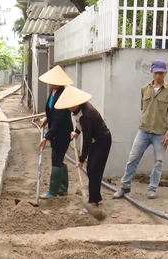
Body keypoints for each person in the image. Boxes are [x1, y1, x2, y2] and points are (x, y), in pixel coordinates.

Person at [113, 59, 168, 200]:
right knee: (133, 158)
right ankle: (124, 186)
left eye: (161, 73)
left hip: (160, 133)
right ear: (151, 72)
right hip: (143, 131)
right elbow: (143, 108)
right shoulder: (145, 89)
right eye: (156, 73)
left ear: (165, 73)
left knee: (158, 162)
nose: (158, 76)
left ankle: (152, 189)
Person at [55, 86, 112, 215]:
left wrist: (81, 160)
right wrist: (76, 132)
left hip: (101, 141)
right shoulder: (77, 111)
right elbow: (80, 125)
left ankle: (92, 203)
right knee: (92, 170)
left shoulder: (87, 114)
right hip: (94, 140)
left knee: (94, 170)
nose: (68, 108)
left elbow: (87, 139)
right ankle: (97, 197)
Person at [37, 65, 74, 199]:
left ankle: (53, 192)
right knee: (58, 157)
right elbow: (51, 111)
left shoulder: (62, 94)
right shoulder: (53, 91)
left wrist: (46, 137)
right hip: (55, 130)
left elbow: (58, 119)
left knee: (56, 159)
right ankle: (63, 188)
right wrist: (46, 117)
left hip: (62, 132)